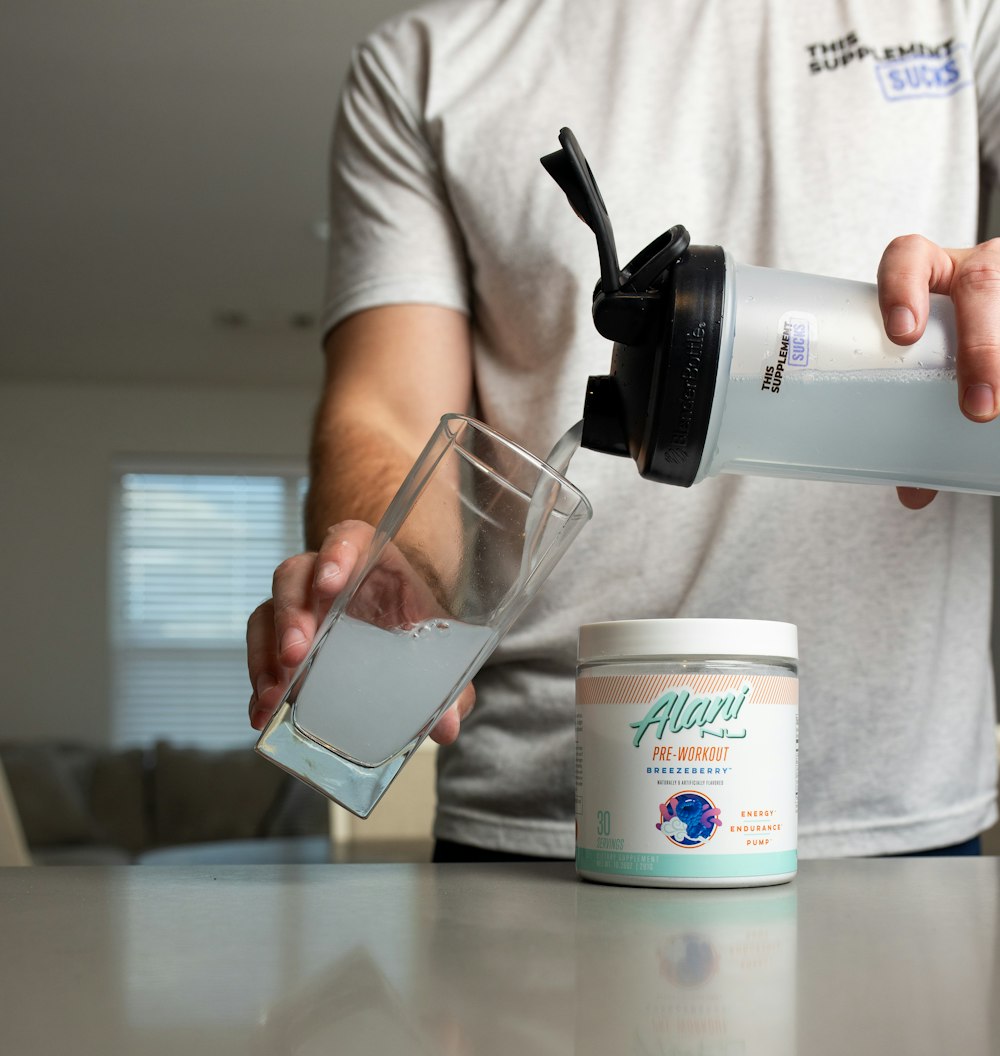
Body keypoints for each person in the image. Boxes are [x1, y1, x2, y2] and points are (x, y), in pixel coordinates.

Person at [247, 0, 1000, 860]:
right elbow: (387, 408)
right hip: (544, 814)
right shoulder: (425, 64)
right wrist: (395, 569)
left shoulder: (960, 10)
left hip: (893, 803)